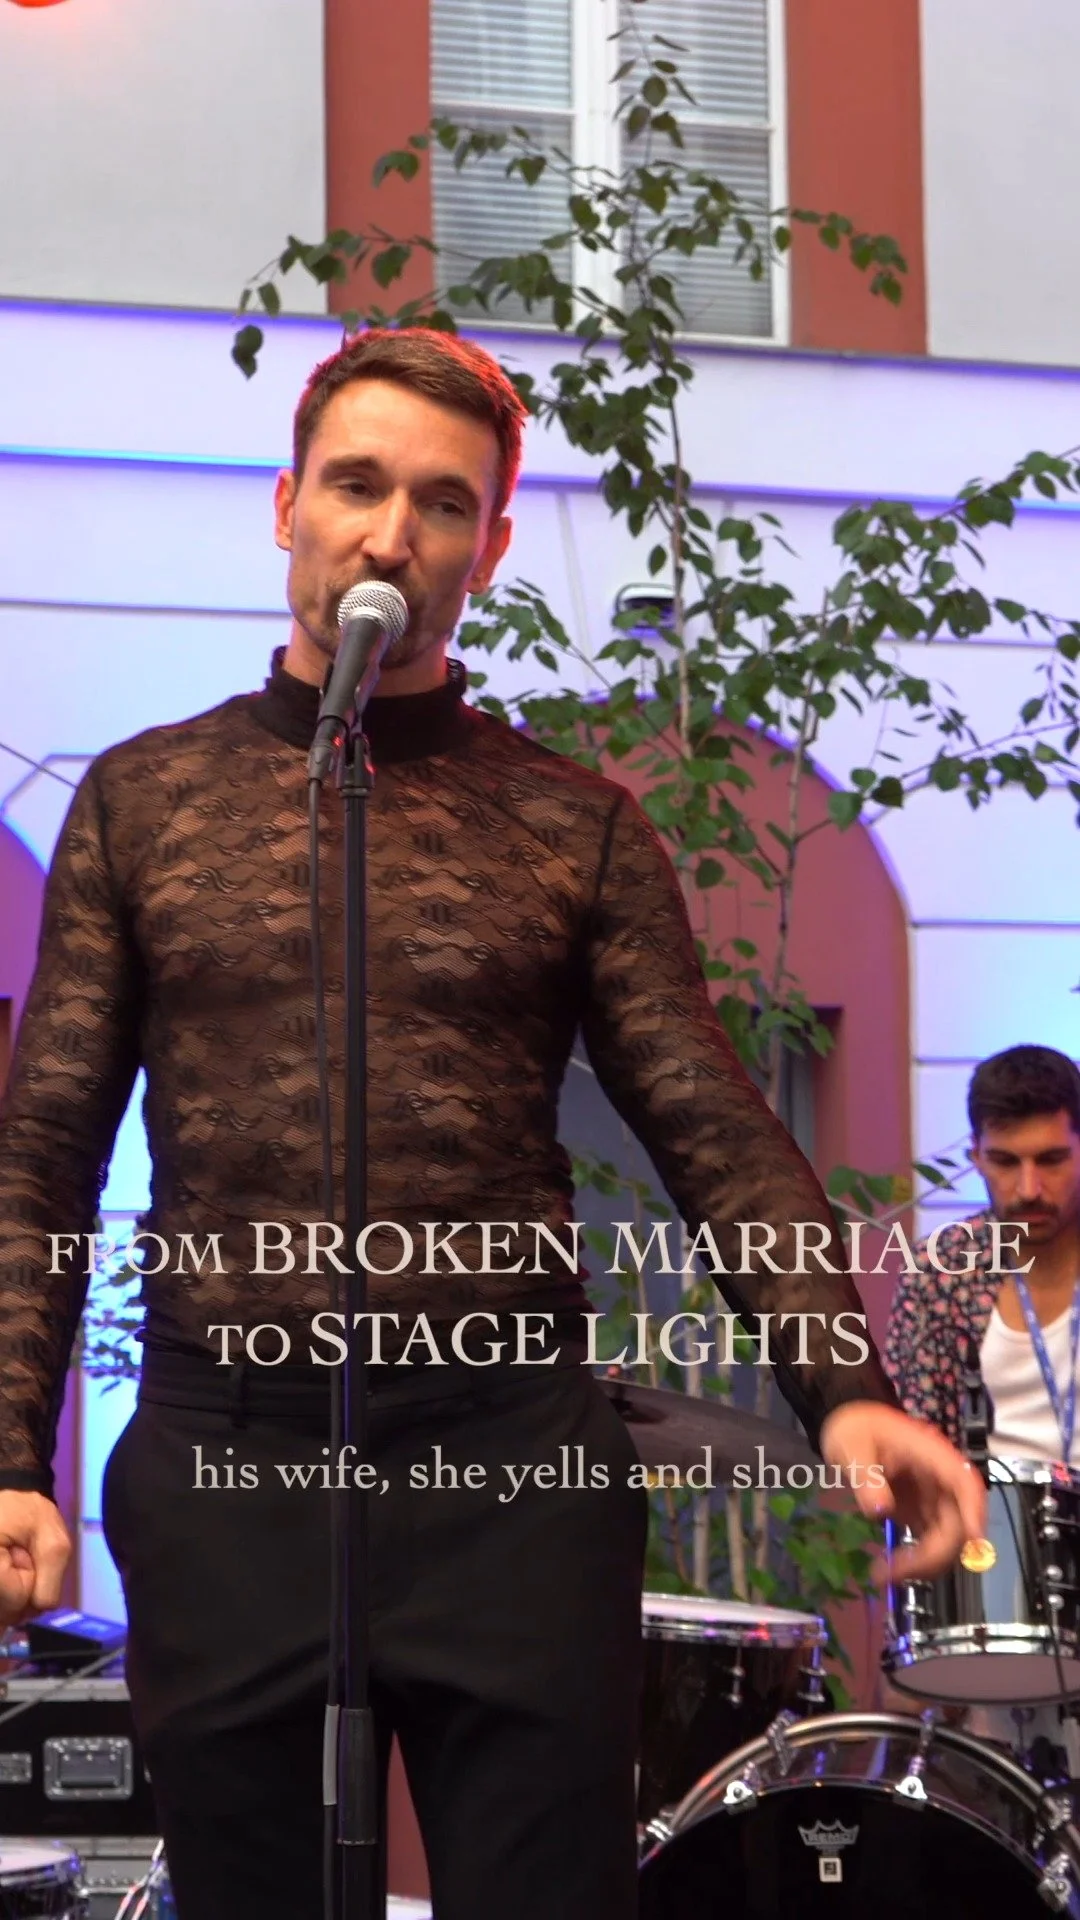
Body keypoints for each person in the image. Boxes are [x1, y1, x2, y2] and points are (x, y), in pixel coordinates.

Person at [0, 327, 983, 1920]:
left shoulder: (573, 827)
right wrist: (10, 1457)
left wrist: (845, 1389)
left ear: (493, 546)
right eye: (357, 485)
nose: (393, 534)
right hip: (226, 1459)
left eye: (443, 503)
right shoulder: (142, 802)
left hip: (511, 1474)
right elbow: (41, 1154)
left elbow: (712, 1126)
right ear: (287, 507)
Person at [884, 1043, 1080, 1770]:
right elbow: (917, 1447)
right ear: (975, 1155)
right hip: (1000, 1581)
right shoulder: (944, 1273)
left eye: (1052, 1160)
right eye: (1004, 1162)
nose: (1030, 1188)